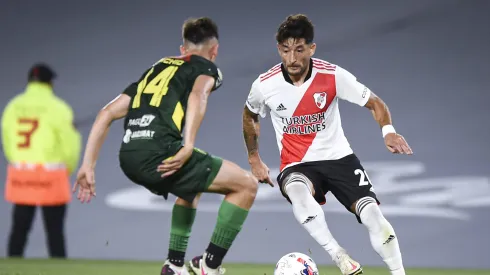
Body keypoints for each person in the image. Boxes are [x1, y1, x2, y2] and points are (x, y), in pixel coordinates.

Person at [72, 17, 258, 275]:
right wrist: (188, 145)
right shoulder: (206, 67)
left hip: (128, 157)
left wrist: (87, 165)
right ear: (214, 51)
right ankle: (209, 265)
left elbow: (105, 113)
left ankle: (174, 265)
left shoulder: (156, 69)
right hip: (160, 151)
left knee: (190, 187)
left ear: (182, 50)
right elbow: (198, 94)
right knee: (246, 185)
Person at [242, 14, 413, 275]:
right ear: (279, 49)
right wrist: (254, 158)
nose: (292, 59)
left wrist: (388, 132)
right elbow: (250, 114)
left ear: (312, 48)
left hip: (340, 158)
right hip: (297, 163)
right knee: (298, 194)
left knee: (374, 219)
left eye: (299, 50)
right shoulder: (265, 84)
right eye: (285, 50)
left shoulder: (332, 76)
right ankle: (339, 256)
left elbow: (375, 103)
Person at [2, 63, 81, 258]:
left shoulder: (13, 106)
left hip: (22, 173)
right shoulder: (58, 108)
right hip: (51, 174)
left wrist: (17, 160)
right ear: (50, 83)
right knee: (55, 232)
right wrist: (67, 169)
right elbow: (70, 144)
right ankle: (58, 270)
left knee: (19, 229)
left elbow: (7, 138)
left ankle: (12, 268)